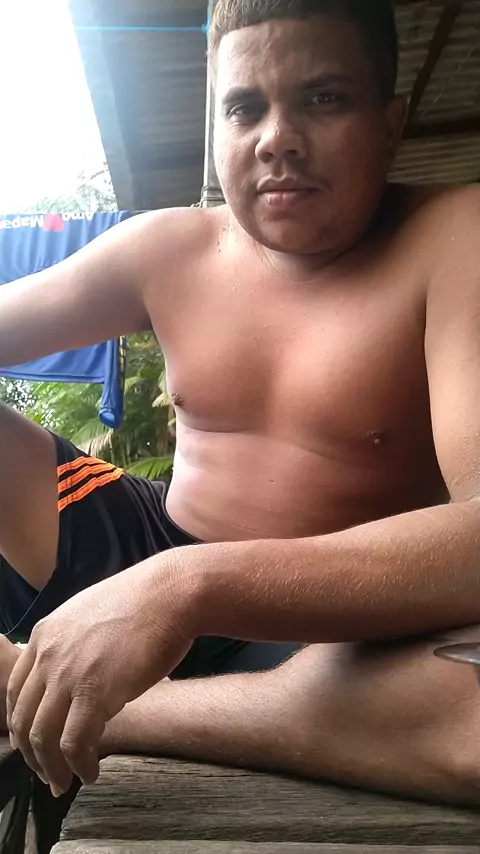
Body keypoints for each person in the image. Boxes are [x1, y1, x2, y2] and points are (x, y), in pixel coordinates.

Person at [1, 0, 480, 805]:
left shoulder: (456, 237)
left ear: (390, 124)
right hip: (141, 543)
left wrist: (184, 589)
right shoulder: (168, 246)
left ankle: (82, 704)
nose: (277, 138)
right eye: (245, 107)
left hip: (334, 621)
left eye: (324, 98)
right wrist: (162, 573)